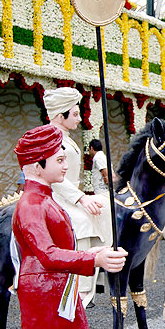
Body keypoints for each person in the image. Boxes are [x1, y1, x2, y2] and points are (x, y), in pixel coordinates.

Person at [12, 124, 127, 329]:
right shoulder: (31, 204)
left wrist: (94, 252)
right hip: (44, 294)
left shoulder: (44, 199)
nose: (66, 166)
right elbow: (47, 254)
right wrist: (93, 258)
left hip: (58, 289)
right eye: (59, 160)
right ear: (36, 165)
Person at [44, 87, 112, 307]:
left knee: (106, 209)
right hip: (56, 195)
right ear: (59, 115)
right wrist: (82, 198)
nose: (79, 118)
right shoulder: (51, 137)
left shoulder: (66, 137)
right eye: (74, 114)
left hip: (70, 194)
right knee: (81, 220)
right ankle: (81, 285)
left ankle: (99, 274)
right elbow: (55, 178)